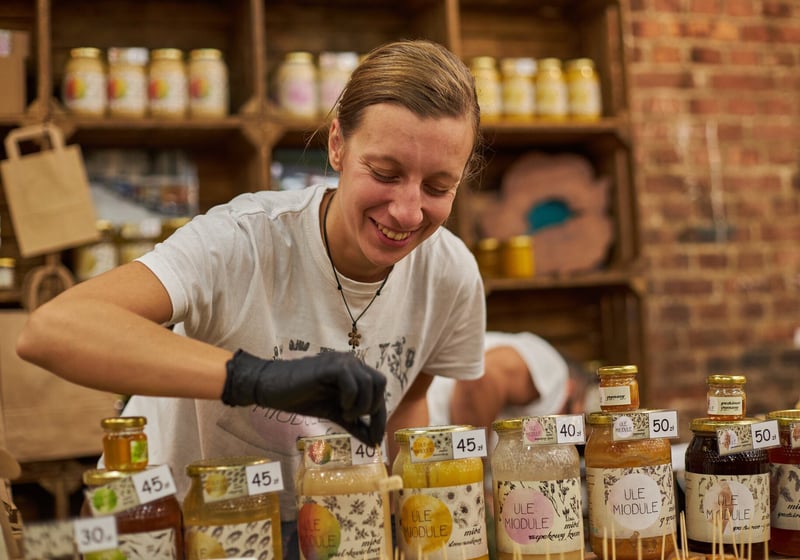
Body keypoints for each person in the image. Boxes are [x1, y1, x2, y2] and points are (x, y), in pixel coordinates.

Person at [15, 39, 486, 555]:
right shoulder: (245, 239)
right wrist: (255, 378)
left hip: (331, 525)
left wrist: (403, 527)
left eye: (439, 187)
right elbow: (51, 329)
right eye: (385, 173)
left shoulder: (450, 274)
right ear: (337, 146)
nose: (408, 211)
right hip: (169, 523)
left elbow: (407, 405)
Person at [427, 331, 596, 429]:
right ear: (572, 388)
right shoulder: (555, 373)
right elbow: (478, 377)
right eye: (571, 422)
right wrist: (473, 477)